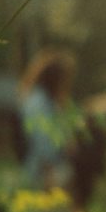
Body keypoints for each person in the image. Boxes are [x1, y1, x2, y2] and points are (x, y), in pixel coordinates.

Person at [17, 48, 76, 190]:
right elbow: (44, 143)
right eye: (65, 79)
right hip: (42, 172)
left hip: (45, 169)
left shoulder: (45, 101)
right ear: (55, 79)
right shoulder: (39, 103)